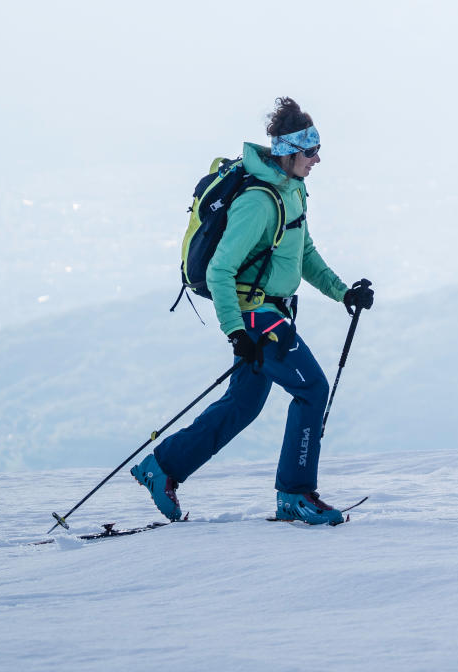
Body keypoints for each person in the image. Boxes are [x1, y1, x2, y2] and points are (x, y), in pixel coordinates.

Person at [131, 97, 374, 525]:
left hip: (275, 310)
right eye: (310, 151)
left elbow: (304, 252)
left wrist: (342, 293)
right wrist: (236, 332)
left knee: (243, 404)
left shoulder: (291, 189)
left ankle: (163, 467)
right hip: (257, 315)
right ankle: (294, 494)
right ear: (287, 152)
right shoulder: (258, 202)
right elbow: (221, 269)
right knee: (311, 390)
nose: (318, 159)